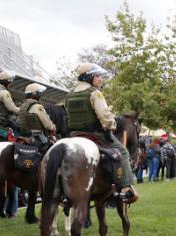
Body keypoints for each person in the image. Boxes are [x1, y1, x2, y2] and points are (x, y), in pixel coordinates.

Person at [64, 62, 138, 201]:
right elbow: (104, 115)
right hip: (95, 134)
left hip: (73, 135)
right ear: (89, 77)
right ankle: (126, 189)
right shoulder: (95, 93)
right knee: (123, 152)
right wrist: (113, 125)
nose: (100, 79)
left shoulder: (69, 95)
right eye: (97, 76)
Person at [18, 83, 56, 154]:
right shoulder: (38, 107)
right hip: (38, 138)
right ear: (36, 94)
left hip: (24, 136)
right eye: (39, 93)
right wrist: (53, 127)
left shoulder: (22, 106)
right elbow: (48, 125)